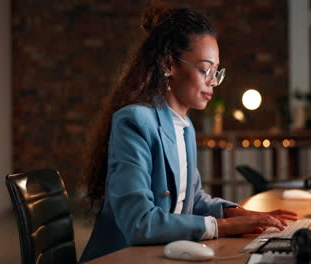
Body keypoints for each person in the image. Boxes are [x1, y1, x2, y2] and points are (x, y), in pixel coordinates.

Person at [80, 3, 297, 262]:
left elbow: (191, 199)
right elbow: (139, 222)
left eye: (217, 72)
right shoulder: (135, 121)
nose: (213, 82)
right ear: (169, 64)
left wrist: (240, 214)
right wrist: (222, 227)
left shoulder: (184, 126)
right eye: (206, 69)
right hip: (124, 257)